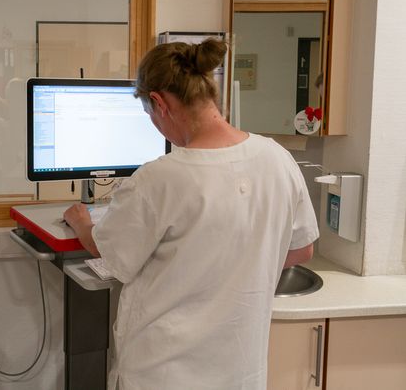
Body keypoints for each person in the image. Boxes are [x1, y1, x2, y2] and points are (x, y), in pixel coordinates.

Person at [63, 38, 318, 390]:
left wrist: (81, 222)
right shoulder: (277, 158)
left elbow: (110, 254)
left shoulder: (159, 179)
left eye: (149, 116)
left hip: (164, 373)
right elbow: (302, 249)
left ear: (159, 103)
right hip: (240, 374)